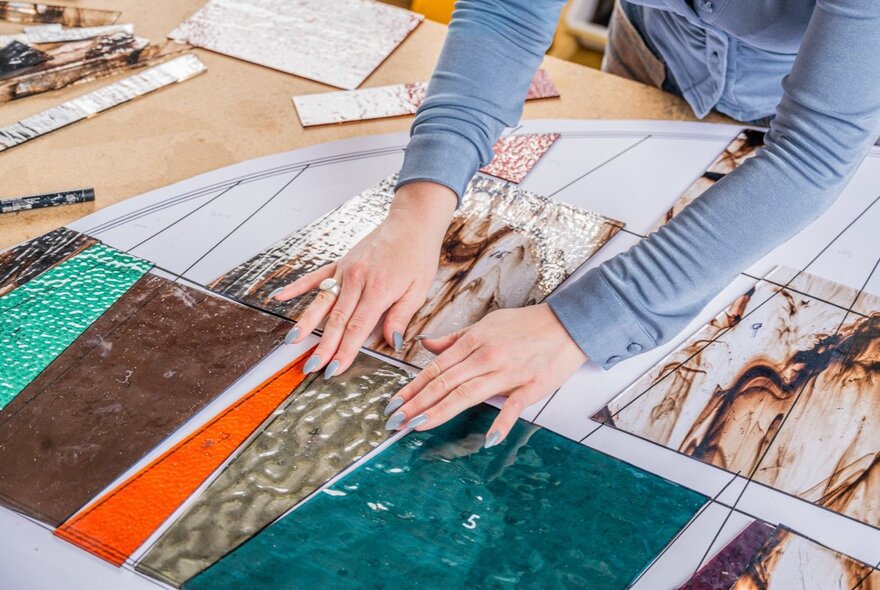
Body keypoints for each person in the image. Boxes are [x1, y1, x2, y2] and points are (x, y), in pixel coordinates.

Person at [274, 0, 880, 448]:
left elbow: (814, 151)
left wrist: (580, 323)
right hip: (653, 74)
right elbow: (506, 14)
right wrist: (417, 208)